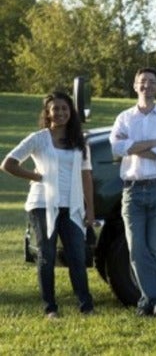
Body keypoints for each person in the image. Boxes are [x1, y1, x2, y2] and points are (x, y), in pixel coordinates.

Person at [3, 91, 95, 318]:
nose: (61, 112)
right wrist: (35, 177)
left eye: (64, 108)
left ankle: (86, 305)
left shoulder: (80, 140)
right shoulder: (38, 139)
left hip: (72, 206)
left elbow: (86, 175)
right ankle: (50, 308)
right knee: (47, 255)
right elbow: (8, 164)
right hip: (42, 204)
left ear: (70, 111)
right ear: (48, 112)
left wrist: (90, 208)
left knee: (77, 255)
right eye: (56, 109)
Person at [110, 67, 156, 317]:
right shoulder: (124, 118)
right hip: (133, 191)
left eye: (151, 82)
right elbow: (117, 148)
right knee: (137, 249)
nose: (147, 86)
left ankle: (148, 302)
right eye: (142, 82)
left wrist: (133, 147)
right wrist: (152, 144)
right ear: (135, 86)